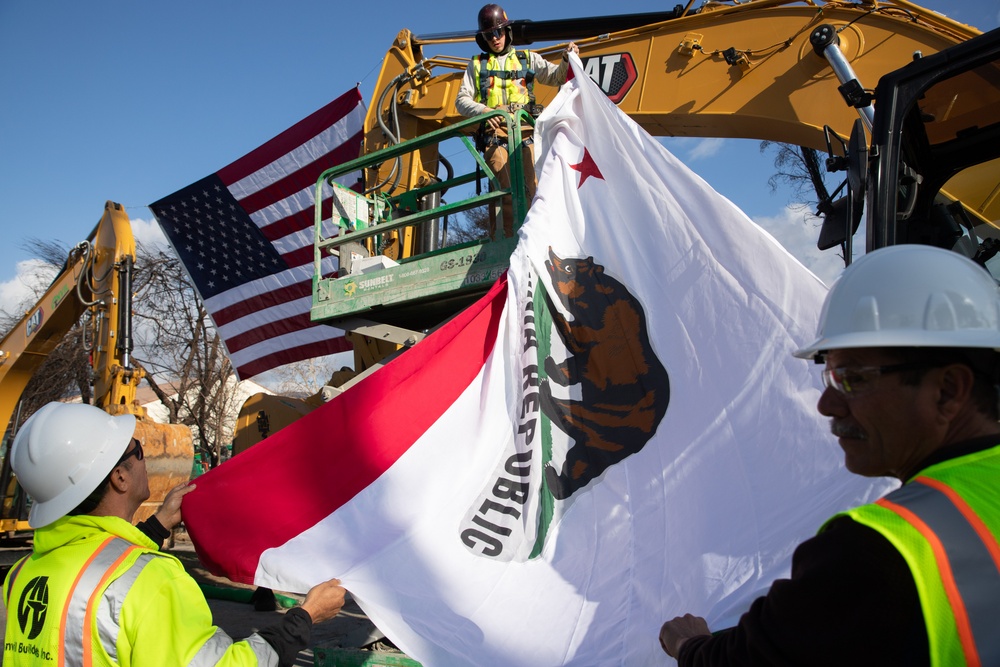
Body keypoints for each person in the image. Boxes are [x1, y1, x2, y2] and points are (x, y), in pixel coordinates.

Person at [659, 244, 1000, 666]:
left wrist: (688, 645)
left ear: (948, 391)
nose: (827, 404)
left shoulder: (875, 552)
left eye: (853, 378)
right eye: (831, 374)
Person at [2, 402, 347, 666]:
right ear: (119, 478)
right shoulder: (153, 581)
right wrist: (305, 617)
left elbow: (99, 567)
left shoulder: (19, 577)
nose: (145, 459)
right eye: (137, 450)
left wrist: (157, 524)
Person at [456, 3, 579, 239]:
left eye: (498, 32)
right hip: (495, 135)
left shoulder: (528, 59)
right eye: (489, 34)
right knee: (504, 188)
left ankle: (539, 239)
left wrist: (566, 59)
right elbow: (461, 100)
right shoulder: (476, 65)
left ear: (507, 31)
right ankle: (507, 242)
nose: (494, 38)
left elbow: (556, 77)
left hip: (525, 133)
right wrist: (483, 111)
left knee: (534, 187)